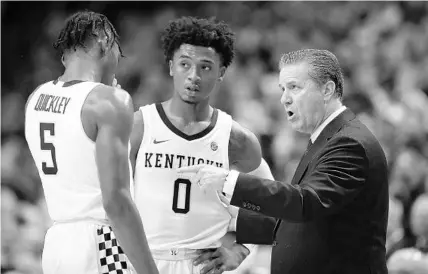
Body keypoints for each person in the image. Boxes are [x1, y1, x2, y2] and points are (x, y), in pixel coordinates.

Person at [179, 49, 389, 274]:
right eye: (283, 89)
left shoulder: (349, 143)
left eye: (294, 87)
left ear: (327, 90)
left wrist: (230, 183)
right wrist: (233, 226)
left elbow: (305, 203)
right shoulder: (329, 138)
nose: (284, 98)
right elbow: (305, 221)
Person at [129, 16, 273, 274]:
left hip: (202, 265)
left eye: (205, 67)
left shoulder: (236, 139)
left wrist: (241, 250)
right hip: (144, 260)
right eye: (185, 64)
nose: (193, 76)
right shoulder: (139, 126)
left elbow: (270, 199)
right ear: (171, 66)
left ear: (221, 73)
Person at [24, 10, 158, 274]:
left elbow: (77, 153)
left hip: (56, 245)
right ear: (104, 41)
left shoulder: (35, 99)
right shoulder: (109, 102)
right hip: (101, 243)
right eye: (118, 50)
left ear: (65, 55)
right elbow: (116, 203)